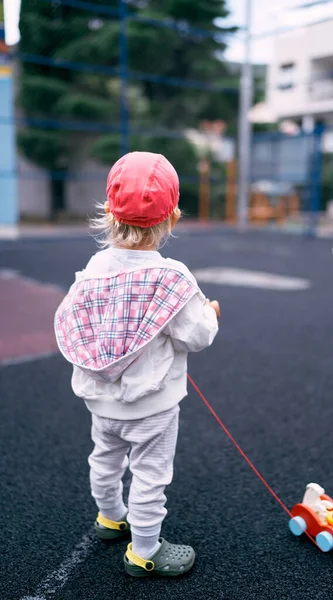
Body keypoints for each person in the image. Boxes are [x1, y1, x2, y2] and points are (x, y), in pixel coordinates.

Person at [54, 152, 220, 578]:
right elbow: (195, 336)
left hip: (100, 400)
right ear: (174, 217)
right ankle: (144, 551)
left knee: (105, 459)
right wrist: (211, 316)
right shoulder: (171, 277)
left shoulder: (92, 271)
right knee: (150, 475)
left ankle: (110, 518)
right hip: (153, 407)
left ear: (108, 211)